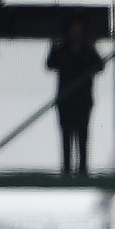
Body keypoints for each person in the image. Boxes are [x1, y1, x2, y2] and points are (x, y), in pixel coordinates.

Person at [45, 16, 104, 176]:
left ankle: (82, 168)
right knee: (66, 135)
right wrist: (53, 47)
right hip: (66, 99)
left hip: (83, 99)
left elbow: (99, 66)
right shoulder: (63, 49)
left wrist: (93, 48)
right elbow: (51, 64)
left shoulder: (87, 50)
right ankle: (67, 168)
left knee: (82, 135)